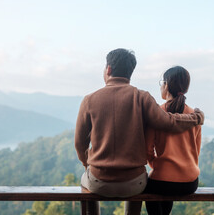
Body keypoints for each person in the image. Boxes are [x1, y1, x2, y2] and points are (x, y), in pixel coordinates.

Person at [74, 49, 204, 215]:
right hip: (134, 182)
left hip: (99, 180)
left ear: (108, 69)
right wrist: (196, 118)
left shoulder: (89, 100)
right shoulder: (142, 97)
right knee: (139, 187)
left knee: (85, 184)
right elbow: (167, 121)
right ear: (131, 72)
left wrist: (88, 165)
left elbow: (79, 143)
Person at [144, 66, 202, 215]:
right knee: (165, 186)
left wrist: (158, 166)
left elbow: (147, 151)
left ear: (167, 85)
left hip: (162, 180)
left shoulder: (157, 114)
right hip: (190, 182)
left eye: (162, 83)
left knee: (151, 187)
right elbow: (196, 150)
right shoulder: (194, 116)